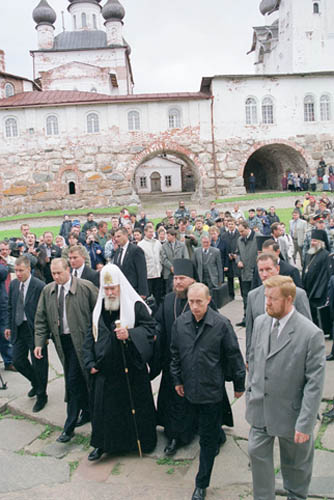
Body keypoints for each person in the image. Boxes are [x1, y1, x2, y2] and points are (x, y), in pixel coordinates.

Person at [246, 275, 325, 500]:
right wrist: (250, 392)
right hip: (260, 410)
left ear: (289, 300)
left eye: (272, 299)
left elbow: (314, 383)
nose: (267, 303)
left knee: (296, 468)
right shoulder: (261, 322)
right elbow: (253, 357)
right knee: (257, 458)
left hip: (293, 415)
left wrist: (305, 422)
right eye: (266, 298)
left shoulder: (311, 334)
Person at [170, 283, 246, 500]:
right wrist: (177, 380)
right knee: (200, 428)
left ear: (209, 300)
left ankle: (201, 483)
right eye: (191, 302)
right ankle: (217, 434)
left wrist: (239, 384)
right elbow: (175, 354)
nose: (194, 307)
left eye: (199, 302)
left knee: (206, 440)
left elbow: (233, 355)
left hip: (212, 391)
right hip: (188, 389)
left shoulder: (221, 324)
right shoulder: (180, 323)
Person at [82, 264, 157, 461]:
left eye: (113, 288)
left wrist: (130, 334)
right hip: (106, 368)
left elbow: (151, 328)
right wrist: (89, 361)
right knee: (105, 410)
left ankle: (140, 442)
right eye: (106, 289)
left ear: (120, 286)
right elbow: (90, 335)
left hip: (130, 368)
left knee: (134, 408)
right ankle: (103, 445)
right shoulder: (99, 308)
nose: (110, 292)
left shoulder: (135, 306)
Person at [34, 258, 98, 442]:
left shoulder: (85, 287)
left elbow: (98, 314)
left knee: (75, 382)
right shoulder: (48, 291)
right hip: (64, 343)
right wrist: (39, 343)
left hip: (85, 343)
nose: (56, 276)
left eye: (59, 273)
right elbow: (41, 318)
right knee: (74, 381)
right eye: (53, 273)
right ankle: (85, 413)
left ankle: (69, 428)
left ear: (68, 270)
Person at [246, 253, 311, 361]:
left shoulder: (297, 294)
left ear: (277, 269)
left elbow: (308, 328)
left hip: (291, 357)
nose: (264, 274)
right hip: (262, 357)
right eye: (261, 270)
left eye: (268, 269)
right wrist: (249, 356)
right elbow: (250, 329)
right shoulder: (253, 296)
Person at [5, 256, 48, 412]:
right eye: (16, 271)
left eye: (21, 270)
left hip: (35, 331)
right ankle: (35, 383)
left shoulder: (39, 286)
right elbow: (11, 306)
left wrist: (45, 335)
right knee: (17, 360)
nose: (18, 273)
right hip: (18, 327)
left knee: (39, 364)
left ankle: (42, 395)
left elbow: (46, 312)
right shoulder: (15, 284)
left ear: (29, 269)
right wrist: (8, 326)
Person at [302, 229, 331, 325]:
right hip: (308, 288)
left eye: (315, 241)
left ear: (321, 243)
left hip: (318, 290)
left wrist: (318, 291)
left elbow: (326, 275)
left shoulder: (326, 255)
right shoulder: (308, 254)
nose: (312, 243)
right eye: (312, 240)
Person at [113, 227, 148, 298]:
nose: (116, 239)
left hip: (133, 290)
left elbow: (142, 272)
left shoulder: (136, 250)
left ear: (126, 235)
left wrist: (143, 292)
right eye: (115, 237)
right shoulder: (117, 251)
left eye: (118, 236)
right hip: (121, 291)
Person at [235, 221, 258, 326]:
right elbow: (237, 253)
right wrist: (238, 260)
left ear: (248, 228)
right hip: (244, 273)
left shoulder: (258, 237)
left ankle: (256, 319)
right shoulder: (239, 240)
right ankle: (246, 318)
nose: (241, 233)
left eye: (242, 231)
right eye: (239, 231)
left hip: (255, 274)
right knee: (245, 297)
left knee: (256, 297)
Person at [138, 224, 162, 305]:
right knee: (149, 296)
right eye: (150, 232)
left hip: (158, 273)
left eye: (152, 232)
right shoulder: (141, 244)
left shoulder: (157, 242)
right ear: (145, 232)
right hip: (148, 274)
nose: (151, 234)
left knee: (158, 295)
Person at [161, 228, 189, 294]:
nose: (167, 237)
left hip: (180, 271)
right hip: (168, 272)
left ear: (173, 236)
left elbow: (185, 258)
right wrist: (171, 267)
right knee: (169, 291)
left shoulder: (182, 245)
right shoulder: (164, 246)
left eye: (168, 236)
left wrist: (179, 267)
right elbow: (164, 258)